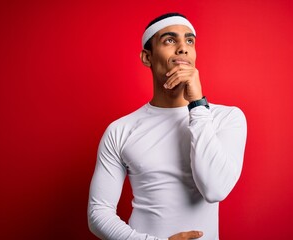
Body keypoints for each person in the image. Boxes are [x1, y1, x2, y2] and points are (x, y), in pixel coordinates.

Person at [88, 12, 247, 240]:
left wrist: (198, 106)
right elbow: (98, 213)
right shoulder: (120, 130)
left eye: (189, 41)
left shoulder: (227, 118)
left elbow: (215, 189)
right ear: (147, 57)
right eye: (170, 40)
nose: (182, 48)